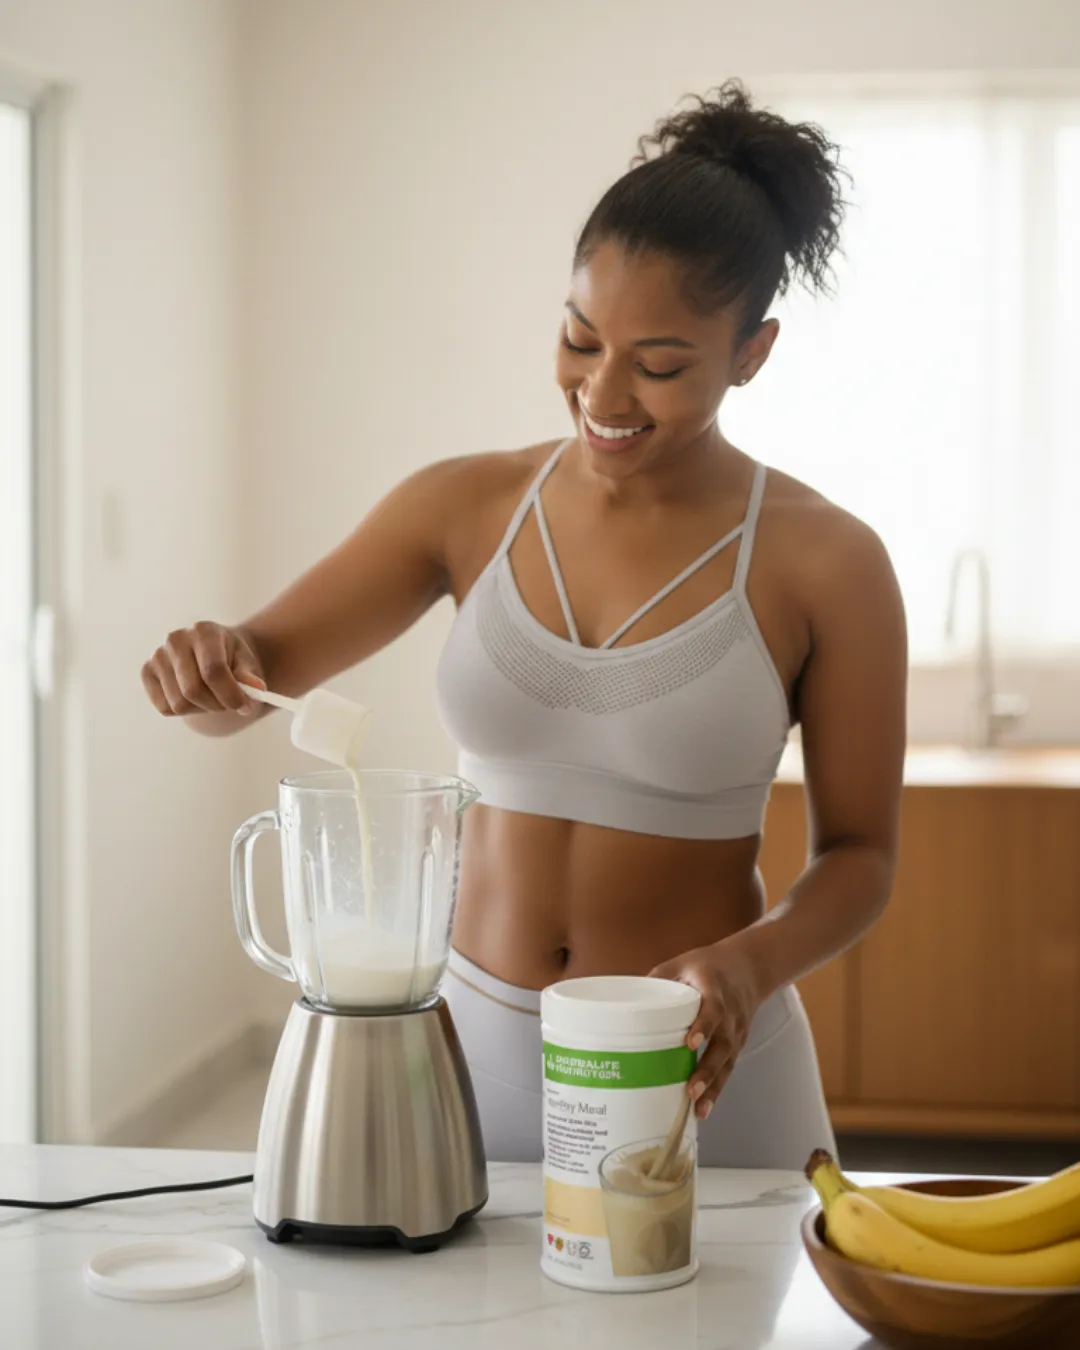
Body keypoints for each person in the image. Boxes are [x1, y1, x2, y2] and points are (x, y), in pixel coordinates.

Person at [142, 81, 906, 1168]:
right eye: (579, 338)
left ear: (752, 353)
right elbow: (249, 683)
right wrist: (207, 667)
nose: (604, 391)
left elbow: (862, 858)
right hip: (468, 1052)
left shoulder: (829, 559)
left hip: (701, 1067)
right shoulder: (463, 507)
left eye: (661, 364)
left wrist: (751, 963)